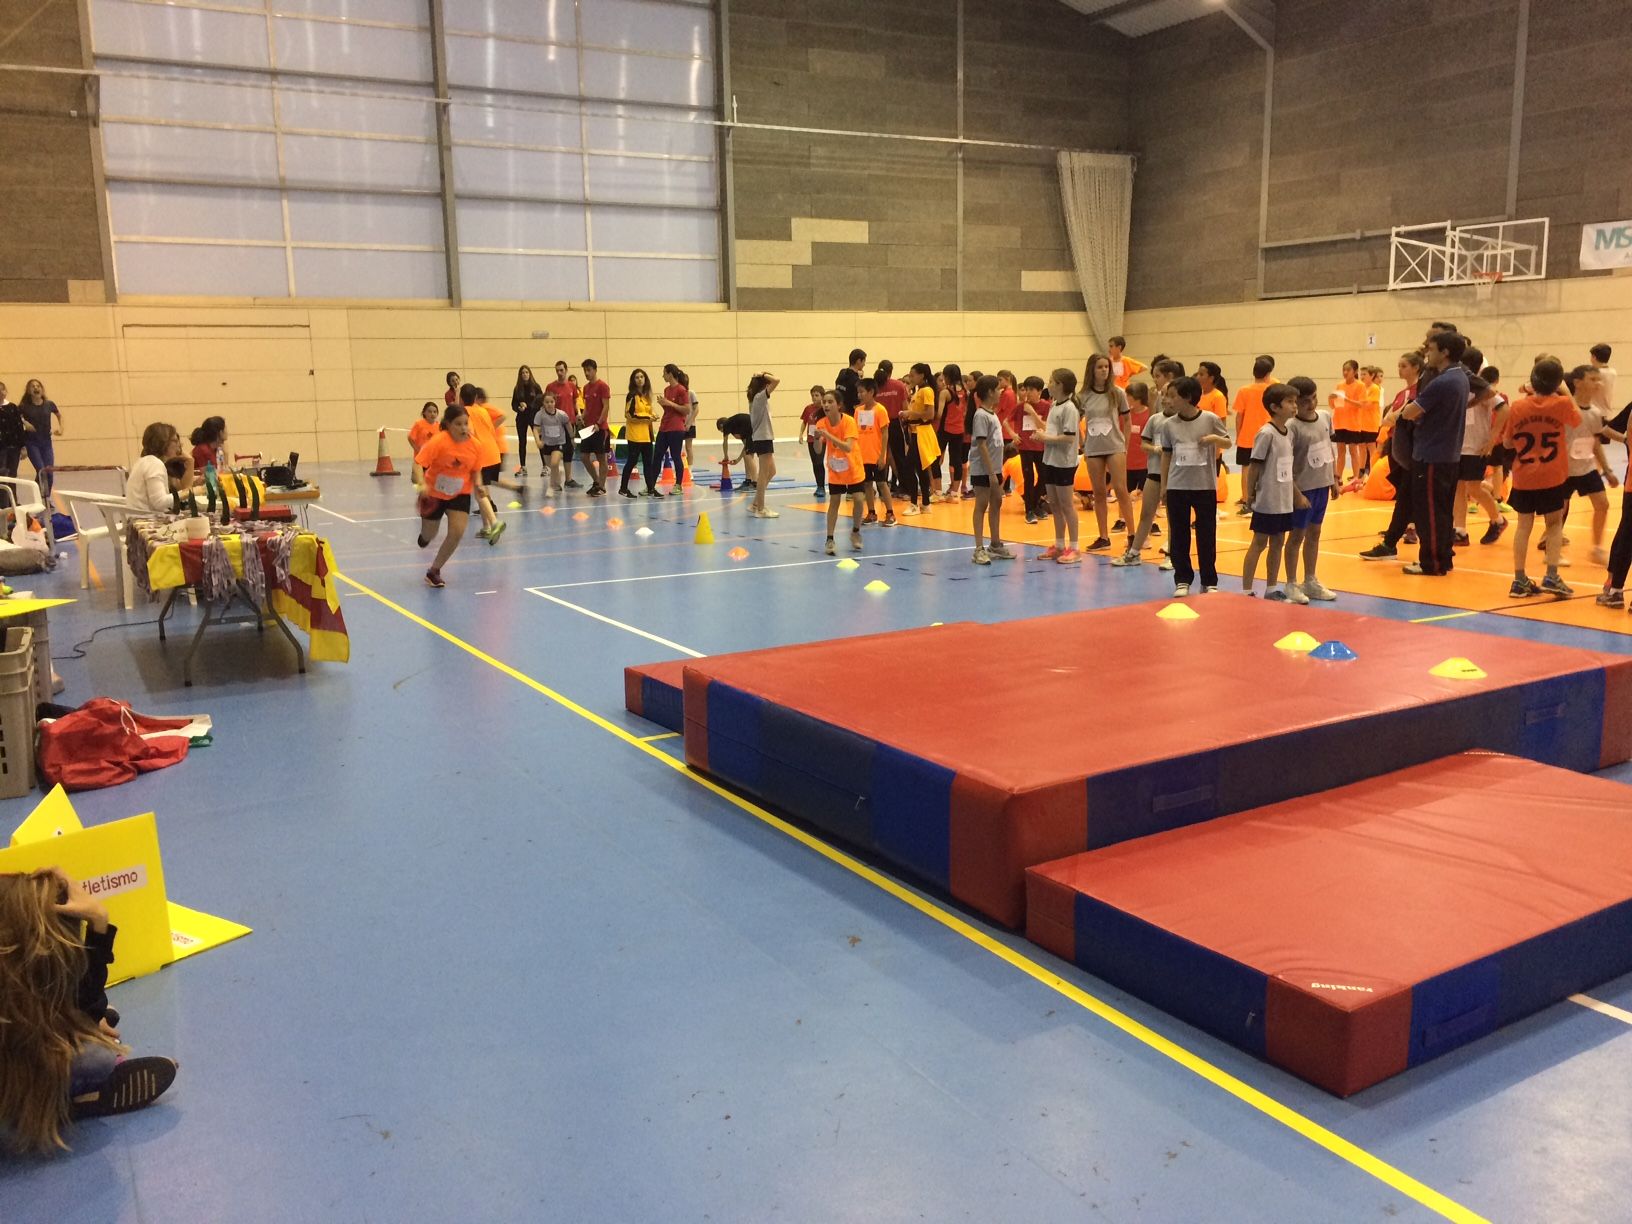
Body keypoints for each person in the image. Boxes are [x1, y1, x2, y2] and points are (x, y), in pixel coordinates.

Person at [0, 867, 178, 1154]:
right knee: (96, 1059)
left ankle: (44, 1097)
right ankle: (55, 1100)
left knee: (94, 1023)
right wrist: (79, 1029)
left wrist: (99, 923)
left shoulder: (14, 986)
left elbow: (79, 1004)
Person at [1503, 359, 1580, 599]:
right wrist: (1565, 390)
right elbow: (1578, 420)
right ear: (1558, 382)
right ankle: (1552, 575)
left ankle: (1519, 580)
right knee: (1554, 524)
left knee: (1523, 526)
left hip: (1524, 475)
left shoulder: (1517, 406)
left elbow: (1506, 442)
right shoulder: (1562, 403)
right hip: (1552, 475)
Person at [1397, 331, 1470, 576]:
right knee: (1442, 511)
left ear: (1445, 352)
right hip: (1448, 454)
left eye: (1432, 348)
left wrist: (1402, 411)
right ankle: (1443, 557)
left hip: (1432, 455)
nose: (1429, 353)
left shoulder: (1442, 382)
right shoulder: (1460, 377)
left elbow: (1410, 412)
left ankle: (1432, 562)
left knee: (1428, 512)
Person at [1360, 348, 1434, 560]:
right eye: (1399, 365)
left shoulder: (1419, 392)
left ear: (1416, 368)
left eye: (1404, 366)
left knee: (1407, 495)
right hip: (1397, 446)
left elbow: (1401, 417)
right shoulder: (1402, 394)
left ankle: (1396, 537)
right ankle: (1401, 531)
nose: (1399, 369)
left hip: (1411, 449)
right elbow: (1389, 419)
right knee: (1404, 494)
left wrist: (1395, 417)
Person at [1162, 376, 1232, 597]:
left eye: (1173, 396)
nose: (1168, 400)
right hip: (1177, 485)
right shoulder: (1168, 425)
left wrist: (1214, 439)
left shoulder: (1210, 419)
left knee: (1206, 534)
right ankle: (1182, 579)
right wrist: (1165, 485)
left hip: (1204, 486)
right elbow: (1166, 456)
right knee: (1179, 535)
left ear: (1188, 398)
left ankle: (1209, 580)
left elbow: (1228, 442)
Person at [1239, 383, 1303, 599]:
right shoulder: (1266, 433)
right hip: (1268, 499)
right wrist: (1250, 494)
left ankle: (1271, 587)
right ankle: (1247, 589)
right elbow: (1255, 465)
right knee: (1259, 543)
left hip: (1283, 500)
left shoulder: (1289, 433)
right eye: (1289, 402)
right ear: (1275, 407)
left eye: (1295, 402)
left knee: (1278, 542)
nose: (1294, 406)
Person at [1111, 370, 1179, 569]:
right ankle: (1134, 553)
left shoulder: (1183, 422)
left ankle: (1172, 555)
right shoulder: (1155, 419)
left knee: (1174, 518)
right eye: (1163, 395)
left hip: (1176, 476)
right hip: (1155, 473)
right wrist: (1156, 449)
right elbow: (1144, 444)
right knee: (1146, 513)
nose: (1166, 399)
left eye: (1171, 395)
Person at [1281, 377, 1338, 603]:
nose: (1311, 404)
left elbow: (1328, 449)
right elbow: (1285, 462)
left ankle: (1310, 580)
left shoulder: (1324, 417)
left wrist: (1333, 478)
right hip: (1302, 489)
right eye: (1305, 401)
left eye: (1314, 398)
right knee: (1296, 536)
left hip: (1321, 486)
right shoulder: (1291, 427)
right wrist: (1296, 494)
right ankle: (1291, 583)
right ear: (1295, 402)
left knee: (1315, 533)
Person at [415, 402, 486, 586]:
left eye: (465, 423)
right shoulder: (439, 441)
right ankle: (425, 536)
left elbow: (476, 470)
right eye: (458, 424)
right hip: (434, 494)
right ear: (448, 425)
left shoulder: (476, 446)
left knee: (457, 532)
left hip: (459, 493)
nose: (464, 428)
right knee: (430, 535)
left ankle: (434, 570)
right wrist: (421, 484)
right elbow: (418, 463)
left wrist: (478, 485)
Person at [1559, 365, 1620, 565]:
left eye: (1599, 379)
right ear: (1577, 383)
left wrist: (1608, 470)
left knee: (1602, 504)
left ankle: (1597, 548)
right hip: (1564, 469)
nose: (1598, 383)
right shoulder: (1564, 408)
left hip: (1587, 468)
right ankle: (1553, 549)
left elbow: (1595, 442)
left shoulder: (1594, 412)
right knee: (1558, 511)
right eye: (1593, 379)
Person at [1079, 354, 1133, 551]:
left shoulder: (1117, 393)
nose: (1104, 370)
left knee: (1121, 489)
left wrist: (1124, 444)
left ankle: (1132, 534)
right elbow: (1074, 420)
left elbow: (1127, 420)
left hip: (1114, 446)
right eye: (1100, 367)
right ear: (1091, 370)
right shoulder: (1083, 395)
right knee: (1099, 492)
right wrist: (1082, 444)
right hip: (1093, 448)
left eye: (1106, 367)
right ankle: (1103, 537)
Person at [1028, 368, 1082, 564]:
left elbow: (1069, 438)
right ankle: (1059, 545)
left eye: (1051, 381)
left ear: (1060, 385)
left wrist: (1046, 437)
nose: (1048, 384)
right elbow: (1052, 433)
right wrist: (1040, 436)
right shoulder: (1054, 405)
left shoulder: (1069, 408)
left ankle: (1074, 548)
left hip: (1064, 462)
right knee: (1055, 505)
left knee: (1067, 505)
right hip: (1050, 459)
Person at [1454, 376, 1506, 547]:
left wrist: (1492, 439)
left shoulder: (1482, 390)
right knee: (1458, 487)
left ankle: (1497, 520)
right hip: (1457, 446)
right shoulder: (1455, 385)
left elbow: (1504, 410)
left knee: (1474, 487)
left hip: (1476, 447)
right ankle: (1460, 530)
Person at [967, 374, 1013, 564]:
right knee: (982, 505)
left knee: (997, 502)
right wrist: (991, 473)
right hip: (983, 470)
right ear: (989, 392)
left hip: (994, 468)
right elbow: (982, 445)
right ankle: (978, 548)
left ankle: (995, 543)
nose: (1001, 392)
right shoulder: (980, 415)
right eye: (997, 389)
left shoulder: (992, 414)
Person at [815, 390, 864, 554]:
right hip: (836, 468)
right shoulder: (821, 423)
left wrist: (828, 435)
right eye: (824, 402)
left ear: (839, 405)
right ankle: (830, 539)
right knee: (834, 501)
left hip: (853, 467)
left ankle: (856, 531)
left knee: (858, 499)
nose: (826, 405)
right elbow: (817, 450)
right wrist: (817, 439)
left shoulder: (849, 421)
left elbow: (848, 447)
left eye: (830, 402)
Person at [459, 384, 506, 541]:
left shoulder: (465, 412)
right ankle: (487, 527)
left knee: (479, 491)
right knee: (482, 488)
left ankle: (494, 523)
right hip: (493, 452)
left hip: (480, 454)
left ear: (461, 398)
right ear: (474, 397)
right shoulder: (483, 410)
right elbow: (491, 430)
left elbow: (469, 432)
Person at [1230, 356, 1276, 510]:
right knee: (1266, 468)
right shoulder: (1272, 389)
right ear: (1268, 373)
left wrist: (1238, 434)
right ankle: (1263, 498)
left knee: (1246, 468)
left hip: (1247, 436)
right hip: (1267, 435)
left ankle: (1245, 498)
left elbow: (1239, 416)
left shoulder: (1244, 390)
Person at [125, 422, 194, 514]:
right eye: (175, 441)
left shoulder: (143, 461)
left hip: (140, 517)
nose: (179, 445)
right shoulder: (154, 464)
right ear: (163, 443)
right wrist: (193, 491)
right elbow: (159, 503)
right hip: (146, 520)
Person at [855, 379, 895, 526]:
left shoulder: (880, 410)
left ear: (871, 392)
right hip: (862, 456)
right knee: (867, 485)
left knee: (882, 484)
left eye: (862, 392)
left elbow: (885, 434)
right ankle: (871, 513)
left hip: (877, 455)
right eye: (858, 392)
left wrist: (882, 455)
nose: (859, 395)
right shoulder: (858, 411)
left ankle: (890, 513)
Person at [901, 363, 938, 515]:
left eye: (913, 375)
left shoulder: (927, 391)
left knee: (909, 466)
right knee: (920, 468)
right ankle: (926, 504)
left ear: (922, 375)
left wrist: (909, 414)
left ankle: (914, 503)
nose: (911, 378)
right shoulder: (918, 391)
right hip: (916, 432)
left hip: (922, 432)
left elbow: (930, 414)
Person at [619, 369, 659, 499]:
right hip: (635, 436)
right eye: (637, 377)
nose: (640, 379)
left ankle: (651, 488)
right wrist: (647, 418)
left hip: (646, 435)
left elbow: (648, 412)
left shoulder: (646, 396)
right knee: (632, 462)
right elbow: (629, 415)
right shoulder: (631, 395)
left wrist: (653, 415)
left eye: (642, 377)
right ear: (633, 380)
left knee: (648, 463)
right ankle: (623, 488)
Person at [18, 380, 62, 496]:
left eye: (38, 386)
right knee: (41, 470)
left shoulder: (49, 404)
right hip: (32, 443)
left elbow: (59, 415)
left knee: (49, 472)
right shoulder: (23, 407)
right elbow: (16, 418)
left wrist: (61, 428)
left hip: (46, 443)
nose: (36, 388)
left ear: (42, 389)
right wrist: (24, 422)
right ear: (28, 391)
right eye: (33, 386)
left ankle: (45, 497)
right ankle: (41, 496)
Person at [745, 371, 779, 517]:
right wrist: (764, 374)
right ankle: (761, 509)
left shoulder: (758, 398)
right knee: (764, 474)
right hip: (762, 438)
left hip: (764, 437)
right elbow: (776, 380)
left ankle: (755, 504)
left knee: (771, 471)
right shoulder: (759, 397)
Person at [1328, 360, 1366, 490]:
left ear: (1355, 371)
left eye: (1348, 370)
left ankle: (1356, 478)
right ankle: (1338, 477)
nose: (1345, 372)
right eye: (1343, 370)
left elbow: (1361, 404)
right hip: (1339, 422)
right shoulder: (1340, 385)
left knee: (1353, 451)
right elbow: (1334, 406)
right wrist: (1330, 399)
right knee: (1340, 451)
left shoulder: (1360, 386)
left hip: (1353, 423)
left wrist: (1347, 399)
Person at [544, 361, 582, 489]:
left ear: (566, 370)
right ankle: (555, 480)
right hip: (556, 425)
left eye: (561, 370)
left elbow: (575, 401)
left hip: (570, 424)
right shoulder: (551, 387)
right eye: (557, 370)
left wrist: (579, 413)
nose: (559, 373)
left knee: (569, 451)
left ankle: (569, 479)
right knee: (555, 454)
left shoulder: (572, 386)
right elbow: (546, 405)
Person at [874, 360, 910, 496]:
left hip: (877, 425)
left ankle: (882, 489)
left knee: (881, 456)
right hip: (895, 424)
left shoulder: (874, 386)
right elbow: (905, 407)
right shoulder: (899, 385)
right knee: (899, 457)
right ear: (891, 371)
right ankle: (905, 489)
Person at [1016, 375, 1047, 524]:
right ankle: (1029, 510)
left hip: (1041, 446)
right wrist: (1013, 435)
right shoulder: (1020, 406)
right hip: (1026, 447)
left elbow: (1044, 426)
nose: (1027, 392)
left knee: (1044, 476)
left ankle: (1035, 504)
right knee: (1028, 478)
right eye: (1026, 389)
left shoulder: (1046, 406)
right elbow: (1006, 421)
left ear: (1039, 391)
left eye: (1031, 390)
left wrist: (1033, 413)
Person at [936, 364, 969, 503]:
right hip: (959, 430)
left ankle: (937, 491)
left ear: (947, 376)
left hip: (945, 429)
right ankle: (955, 493)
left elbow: (939, 414)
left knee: (935, 458)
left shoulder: (945, 392)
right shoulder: (965, 392)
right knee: (957, 461)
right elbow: (965, 411)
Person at [578, 359, 611, 495]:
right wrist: (582, 417)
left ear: (595, 370)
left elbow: (606, 407)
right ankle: (596, 481)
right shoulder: (585, 388)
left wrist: (599, 423)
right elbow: (587, 408)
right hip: (588, 428)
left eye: (589, 370)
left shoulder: (603, 386)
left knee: (601, 458)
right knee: (584, 457)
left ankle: (602, 487)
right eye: (585, 370)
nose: (587, 373)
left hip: (600, 428)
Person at [656, 364, 691, 490]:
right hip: (664, 426)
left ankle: (678, 485)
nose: (663, 376)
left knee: (676, 456)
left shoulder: (682, 390)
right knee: (657, 455)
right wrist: (663, 404)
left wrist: (669, 403)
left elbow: (686, 410)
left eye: (664, 373)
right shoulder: (666, 390)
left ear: (670, 374)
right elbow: (670, 409)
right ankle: (650, 486)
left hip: (676, 428)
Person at [535, 390, 573, 494]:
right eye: (547, 402)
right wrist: (538, 441)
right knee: (550, 465)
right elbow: (536, 429)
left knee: (554, 462)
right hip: (547, 443)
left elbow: (568, 425)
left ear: (555, 402)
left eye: (551, 402)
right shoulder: (540, 415)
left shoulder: (561, 414)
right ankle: (558, 472)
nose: (549, 404)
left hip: (559, 442)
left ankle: (553, 486)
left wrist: (572, 438)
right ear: (543, 403)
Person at [511, 366, 543, 476]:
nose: (525, 374)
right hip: (521, 418)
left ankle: (545, 466)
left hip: (534, 417)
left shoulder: (536, 387)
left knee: (539, 440)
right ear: (520, 375)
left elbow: (540, 401)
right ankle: (523, 466)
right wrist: (519, 407)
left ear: (530, 374)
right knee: (522, 441)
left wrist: (528, 405)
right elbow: (513, 404)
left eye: (526, 372)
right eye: (522, 373)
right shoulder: (517, 388)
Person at [799, 386, 827, 495]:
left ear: (822, 396)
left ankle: (822, 487)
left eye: (817, 395)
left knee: (819, 461)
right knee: (815, 463)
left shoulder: (825, 409)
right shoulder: (808, 409)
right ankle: (818, 485)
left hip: (821, 439)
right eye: (812, 395)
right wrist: (801, 434)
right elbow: (804, 422)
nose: (814, 398)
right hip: (811, 439)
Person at [407, 402, 439, 488]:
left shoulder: (439, 426)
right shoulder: (419, 424)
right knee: (420, 482)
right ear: (424, 413)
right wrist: (417, 449)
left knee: (432, 482)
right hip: (421, 459)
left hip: (433, 460)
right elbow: (410, 438)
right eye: (429, 411)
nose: (432, 414)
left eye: (435, 412)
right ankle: (421, 496)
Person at [0, 383, 23, 478]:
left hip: (14, 446)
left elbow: (19, 427)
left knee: (12, 473)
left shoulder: (13, 407)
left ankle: (12, 493)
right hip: (1, 447)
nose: (0, 392)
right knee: (1, 472)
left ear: (6, 391)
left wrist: (23, 446)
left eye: (2, 390)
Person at [1587, 343, 1617, 416]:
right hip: (1607, 413)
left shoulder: (1593, 373)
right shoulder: (1613, 372)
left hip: (1595, 413)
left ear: (1594, 357)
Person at [835, 348, 865, 414]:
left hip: (838, 411)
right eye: (863, 361)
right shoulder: (856, 381)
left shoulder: (842, 372)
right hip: (850, 413)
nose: (864, 364)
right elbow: (857, 403)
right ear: (859, 361)